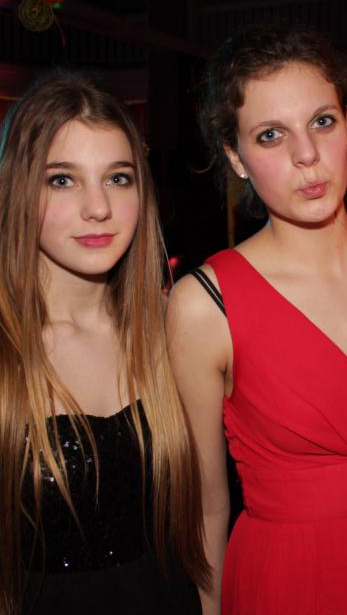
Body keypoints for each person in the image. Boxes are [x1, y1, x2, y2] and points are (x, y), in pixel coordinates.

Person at [167, 23, 347, 614]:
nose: (306, 155)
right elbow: (207, 506)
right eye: (271, 135)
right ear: (236, 157)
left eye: (322, 122)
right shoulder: (204, 304)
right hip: (290, 582)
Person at [0, 72, 208, 615]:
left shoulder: (171, 332)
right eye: (62, 180)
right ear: (17, 188)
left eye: (118, 178)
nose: (98, 207)